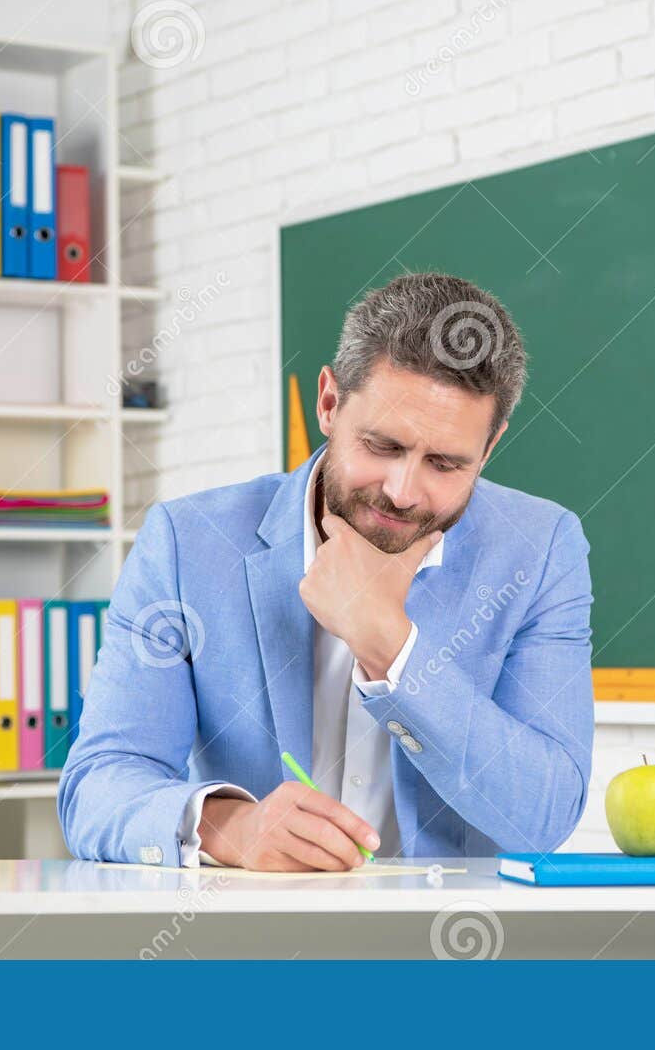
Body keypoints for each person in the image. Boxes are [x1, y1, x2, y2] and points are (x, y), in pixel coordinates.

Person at [59, 272, 594, 870]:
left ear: (489, 448)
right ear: (330, 403)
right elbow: (97, 787)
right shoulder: (189, 545)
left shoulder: (539, 549)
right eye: (384, 447)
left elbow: (544, 815)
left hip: (451, 948)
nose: (403, 492)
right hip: (258, 945)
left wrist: (389, 644)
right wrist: (231, 828)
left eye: (444, 463)